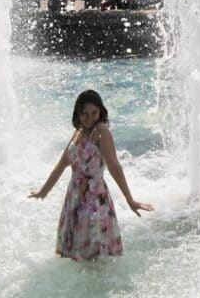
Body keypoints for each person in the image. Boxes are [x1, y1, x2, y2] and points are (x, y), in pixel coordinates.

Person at [29, 89, 154, 261]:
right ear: (78, 114)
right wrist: (43, 192)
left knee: (95, 254)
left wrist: (129, 199)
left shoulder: (101, 131)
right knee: (76, 256)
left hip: (94, 199)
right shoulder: (78, 132)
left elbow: (114, 166)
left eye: (94, 112)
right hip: (74, 198)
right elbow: (61, 165)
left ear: (100, 112)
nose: (90, 118)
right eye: (85, 113)